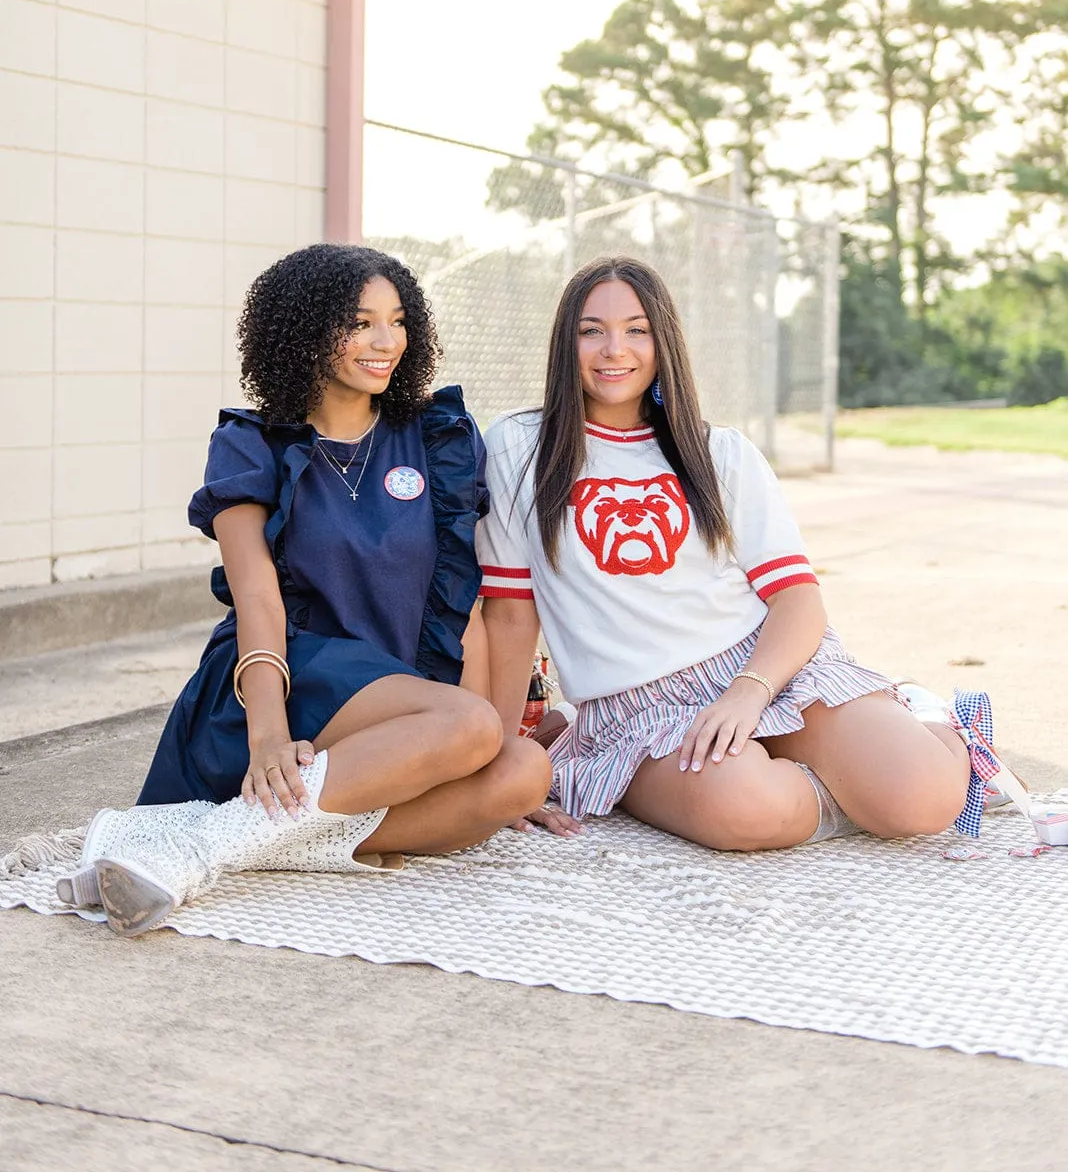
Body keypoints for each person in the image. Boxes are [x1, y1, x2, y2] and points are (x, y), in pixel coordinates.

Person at [59, 244, 550, 935]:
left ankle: (231, 841)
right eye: (360, 323)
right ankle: (196, 849)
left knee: (521, 769)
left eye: (398, 321)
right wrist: (267, 735)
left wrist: (470, 760)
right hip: (279, 683)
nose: (386, 342)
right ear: (303, 331)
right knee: (471, 727)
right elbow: (256, 599)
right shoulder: (250, 444)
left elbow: (459, 605)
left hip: (391, 706)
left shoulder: (437, 438)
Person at [479, 256, 1016, 852]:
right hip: (640, 709)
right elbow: (509, 610)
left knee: (923, 801)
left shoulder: (720, 452)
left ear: (664, 342)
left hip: (763, 669)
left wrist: (747, 693)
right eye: (591, 330)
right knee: (747, 812)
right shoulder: (518, 447)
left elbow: (797, 599)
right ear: (565, 343)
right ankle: (842, 775)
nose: (614, 349)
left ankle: (931, 724)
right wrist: (502, 765)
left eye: (637, 329)